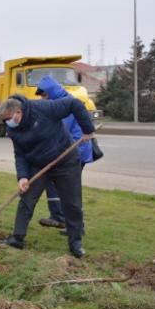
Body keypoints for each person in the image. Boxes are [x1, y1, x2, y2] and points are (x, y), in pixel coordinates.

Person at [0, 95, 95, 258]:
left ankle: (75, 242)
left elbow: (74, 104)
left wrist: (87, 129)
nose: (7, 124)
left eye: (8, 119)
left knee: (72, 203)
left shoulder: (43, 108)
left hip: (65, 161)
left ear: (18, 112)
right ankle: (17, 238)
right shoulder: (12, 129)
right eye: (4, 120)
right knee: (27, 198)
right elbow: (19, 154)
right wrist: (23, 176)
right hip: (39, 164)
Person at [35, 76, 93, 231]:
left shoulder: (65, 105)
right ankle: (61, 219)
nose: (42, 99)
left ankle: (74, 225)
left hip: (75, 151)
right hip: (70, 150)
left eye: (44, 95)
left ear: (51, 92)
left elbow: (61, 132)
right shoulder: (59, 102)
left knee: (69, 189)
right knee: (55, 184)